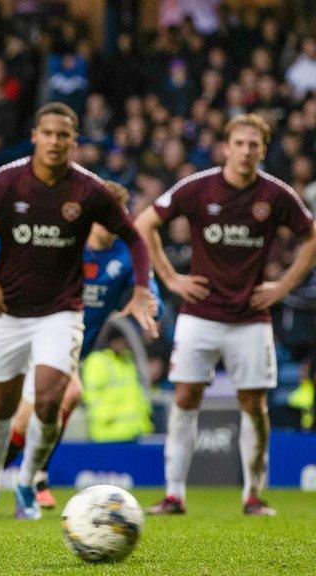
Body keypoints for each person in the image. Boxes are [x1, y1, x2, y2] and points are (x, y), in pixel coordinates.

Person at [0, 103, 156, 521]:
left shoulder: (89, 190)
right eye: (49, 134)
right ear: (35, 136)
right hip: (8, 312)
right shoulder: (6, 181)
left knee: (48, 399)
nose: (56, 142)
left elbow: (135, 238)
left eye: (65, 135)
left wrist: (140, 289)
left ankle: (26, 481)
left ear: (74, 141)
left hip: (61, 312)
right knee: (3, 406)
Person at [135, 113, 316, 517]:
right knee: (185, 398)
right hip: (199, 313)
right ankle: (174, 495)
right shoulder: (199, 187)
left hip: (251, 317)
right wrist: (170, 278)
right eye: (240, 143)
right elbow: (144, 224)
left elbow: (311, 235)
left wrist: (282, 288)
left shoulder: (276, 194)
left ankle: (253, 495)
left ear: (263, 151)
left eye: (254, 144)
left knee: (254, 404)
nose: (246, 150)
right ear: (226, 147)